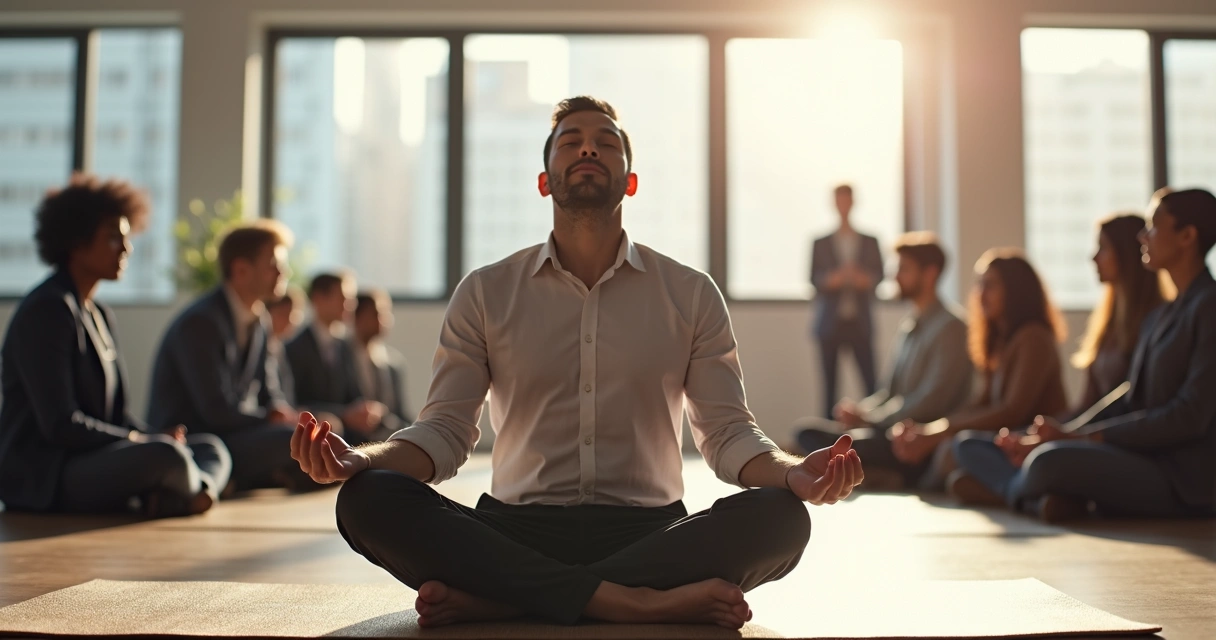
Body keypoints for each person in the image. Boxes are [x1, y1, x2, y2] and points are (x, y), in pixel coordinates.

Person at [290, 96, 864, 630]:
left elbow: (728, 434)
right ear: (545, 181)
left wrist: (793, 473)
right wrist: (359, 460)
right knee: (369, 498)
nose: (588, 148)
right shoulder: (486, 291)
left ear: (630, 181)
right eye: (570, 142)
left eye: (606, 142)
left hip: (649, 531)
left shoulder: (690, 293)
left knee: (783, 518)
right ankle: (631, 602)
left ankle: (505, 597)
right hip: (515, 530)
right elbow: (443, 432)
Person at [952, 188, 1216, 522]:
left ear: (1187, 237)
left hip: (1178, 476)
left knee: (1048, 460)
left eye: (1151, 226)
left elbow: (1189, 415)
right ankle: (1038, 496)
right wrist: (1068, 432)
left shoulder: (1209, 307)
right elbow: (1129, 397)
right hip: (1133, 455)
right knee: (970, 445)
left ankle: (1015, 491)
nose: (1142, 237)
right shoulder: (1161, 316)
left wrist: (1085, 438)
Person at [0, 174, 230, 517]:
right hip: (50, 474)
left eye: (126, 238)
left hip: (94, 458)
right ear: (76, 243)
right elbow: (61, 424)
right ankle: (183, 493)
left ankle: (188, 493)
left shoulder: (100, 314)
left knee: (210, 447)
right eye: (112, 238)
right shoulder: (47, 310)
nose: (126, 248)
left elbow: (116, 417)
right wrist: (141, 443)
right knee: (165, 456)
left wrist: (151, 434)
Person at [794, 232, 973, 489]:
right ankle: (876, 474)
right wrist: (861, 412)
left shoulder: (952, 327)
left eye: (903, 269)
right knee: (807, 433)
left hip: (914, 440)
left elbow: (933, 401)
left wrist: (873, 419)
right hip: (886, 428)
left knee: (839, 446)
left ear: (930, 274)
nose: (894, 276)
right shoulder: (909, 326)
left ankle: (896, 476)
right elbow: (887, 392)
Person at [147, 221, 315, 492]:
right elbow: (214, 410)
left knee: (315, 432)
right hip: (195, 437)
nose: (285, 272)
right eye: (274, 263)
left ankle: (248, 478)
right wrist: (271, 419)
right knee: (291, 440)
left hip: (234, 431)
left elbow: (269, 392)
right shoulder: (201, 322)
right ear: (240, 270)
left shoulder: (259, 320)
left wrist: (283, 413)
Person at [882, 249, 1069, 491]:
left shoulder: (1033, 338)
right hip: (1004, 437)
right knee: (951, 455)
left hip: (1026, 442)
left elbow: (1011, 412)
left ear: (1015, 291)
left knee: (952, 450)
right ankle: (1010, 490)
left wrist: (938, 435)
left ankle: (1019, 490)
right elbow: (979, 404)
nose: (980, 294)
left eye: (990, 286)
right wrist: (930, 430)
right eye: (979, 284)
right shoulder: (1000, 342)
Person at [1063, 215, 1168, 419]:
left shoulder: (1157, 320)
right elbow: (1087, 405)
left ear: (1126, 253)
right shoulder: (1106, 322)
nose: (1093, 258)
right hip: (1095, 434)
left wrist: (1071, 434)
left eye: (1103, 248)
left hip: (1122, 439)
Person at [810, 184, 884, 418]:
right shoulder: (820, 242)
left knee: (872, 385)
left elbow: (879, 276)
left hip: (860, 322)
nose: (843, 205)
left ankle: (875, 435)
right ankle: (826, 442)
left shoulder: (870, 240)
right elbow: (813, 279)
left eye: (847, 200)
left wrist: (865, 279)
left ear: (853, 202)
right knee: (829, 389)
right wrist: (834, 279)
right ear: (834, 203)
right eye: (839, 200)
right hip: (829, 324)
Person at [286, 273, 385, 444]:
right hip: (316, 434)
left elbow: (353, 393)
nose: (350, 305)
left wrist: (365, 410)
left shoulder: (345, 347)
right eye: (343, 298)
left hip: (350, 433)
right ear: (319, 299)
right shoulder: (294, 348)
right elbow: (293, 402)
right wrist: (344, 415)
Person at [350, 290, 412, 437]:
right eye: (376, 314)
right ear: (357, 318)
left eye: (386, 314)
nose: (383, 321)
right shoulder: (340, 358)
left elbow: (401, 413)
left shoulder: (393, 364)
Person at [265, 285, 305, 406]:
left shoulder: (279, 347)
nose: (290, 320)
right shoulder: (262, 346)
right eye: (284, 314)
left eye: (293, 314)